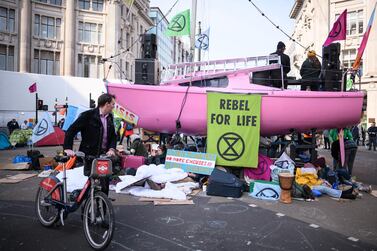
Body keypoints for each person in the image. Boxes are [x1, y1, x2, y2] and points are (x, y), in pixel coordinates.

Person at [63, 93, 117, 196]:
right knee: (90, 182)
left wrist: (111, 149)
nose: (114, 107)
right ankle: (87, 206)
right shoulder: (88, 115)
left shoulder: (110, 117)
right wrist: (67, 148)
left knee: (104, 182)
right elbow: (71, 130)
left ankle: (103, 207)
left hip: (103, 156)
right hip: (89, 155)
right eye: (113, 104)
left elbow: (113, 136)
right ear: (106, 104)